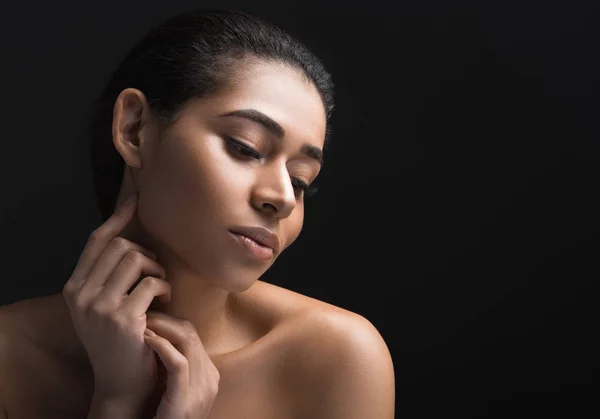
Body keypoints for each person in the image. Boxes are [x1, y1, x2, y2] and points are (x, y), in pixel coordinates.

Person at [0, 9, 395, 419]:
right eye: (245, 147)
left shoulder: (337, 358)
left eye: (300, 180)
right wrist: (116, 402)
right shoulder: (9, 359)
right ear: (136, 129)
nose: (283, 199)